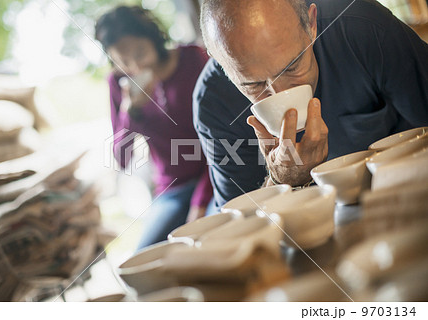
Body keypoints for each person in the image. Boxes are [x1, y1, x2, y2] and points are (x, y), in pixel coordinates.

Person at [194, 0, 428, 210]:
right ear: (221, 62)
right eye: (253, 84)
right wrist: (280, 180)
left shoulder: (362, 26)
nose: (281, 93)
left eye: (292, 67)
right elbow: (238, 232)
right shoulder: (213, 103)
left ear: (312, 23)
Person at [95, 6, 213, 249]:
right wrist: (130, 112)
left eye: (140, 53)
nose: (136, 66)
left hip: (214, 176)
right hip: (172, 189)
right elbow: (122, 157)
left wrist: (200, 203)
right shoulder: (119, 84)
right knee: (145, 255)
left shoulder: (193, 59)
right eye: (123, 61)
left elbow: (220, 139)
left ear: (154, 38)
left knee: (210, 238)